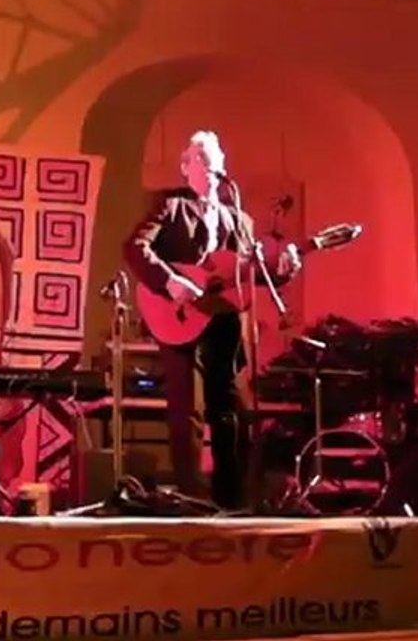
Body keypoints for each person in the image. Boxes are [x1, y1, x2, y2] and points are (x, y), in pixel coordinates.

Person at [124, 130, 302, 509]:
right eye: (200, 159)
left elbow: (248, 274)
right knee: (187, 409)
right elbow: (135, 248)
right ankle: (190, 496)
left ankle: (231, 498)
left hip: (223, 322)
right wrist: (170, 280)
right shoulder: (170, 206)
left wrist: (284, 268)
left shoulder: (241, 221)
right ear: (186, 168)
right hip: (178, 318)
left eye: (214, 157)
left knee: (230, 409)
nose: (210, 165)